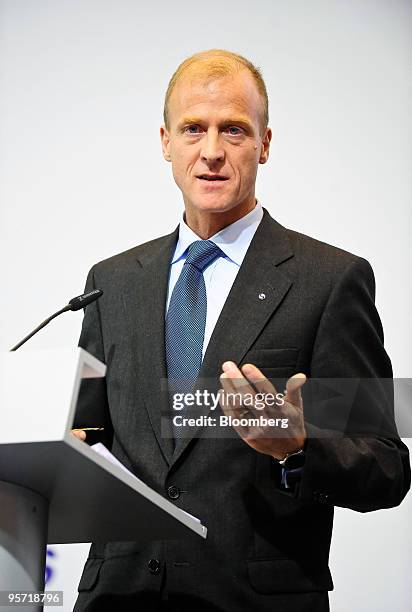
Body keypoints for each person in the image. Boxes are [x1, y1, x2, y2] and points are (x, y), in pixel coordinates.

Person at [72, 49, 410, 612]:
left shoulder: (329, 280)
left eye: (233, 130)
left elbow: (386, 465)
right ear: (165, 142)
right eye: (192, 129)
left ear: (265, 144)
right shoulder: (110, 283)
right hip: (117, 597)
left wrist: (297, 447)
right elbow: (89, 437)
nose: (211, 152)